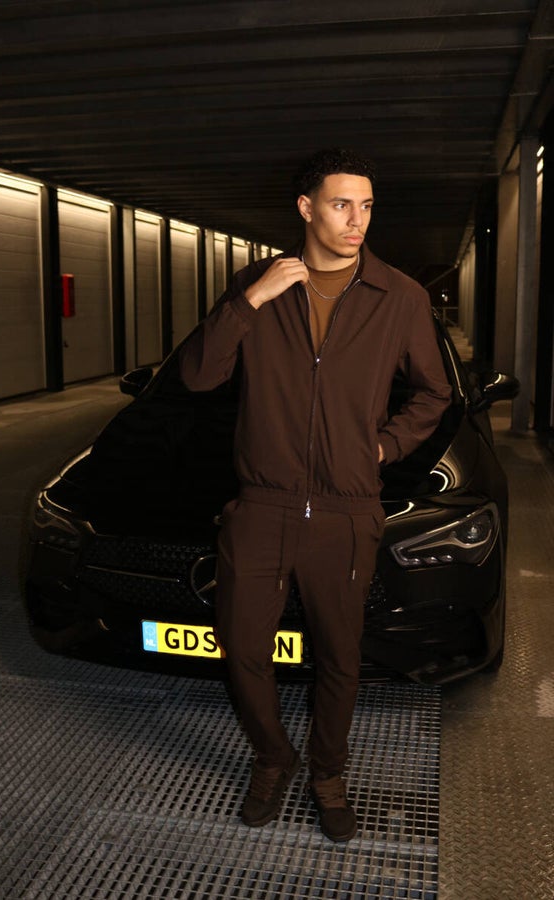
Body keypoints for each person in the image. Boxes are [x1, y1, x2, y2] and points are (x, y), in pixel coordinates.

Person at [179, 148, 451, 842]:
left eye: (366, 206)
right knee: (242, 649)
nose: (357, 220)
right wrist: (250, 301)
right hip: (261, 505)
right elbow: (199, 376)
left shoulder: (399, 295)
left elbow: (434, 393)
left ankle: (328, 772)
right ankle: (274, 756)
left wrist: (382, 448)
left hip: (346, 510)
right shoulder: (255, 284)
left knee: (339, 656)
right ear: (306, 209)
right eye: (341, 204)